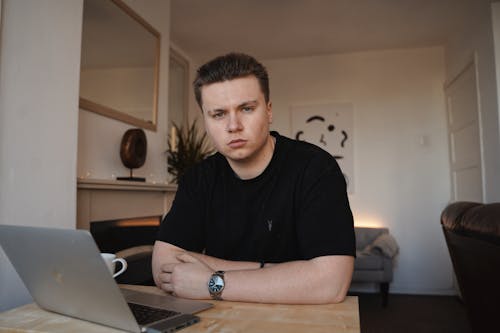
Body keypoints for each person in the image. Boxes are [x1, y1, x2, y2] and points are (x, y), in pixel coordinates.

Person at [152, 53, 355, 304]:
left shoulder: (316, 169)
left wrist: (212, 280)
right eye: (218, 114)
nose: (233, 125)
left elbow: (331, 283)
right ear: (205, 120)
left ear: (268, 111)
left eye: (246, 109)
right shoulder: (198, 178)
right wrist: (281, 273)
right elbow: (164, 267)